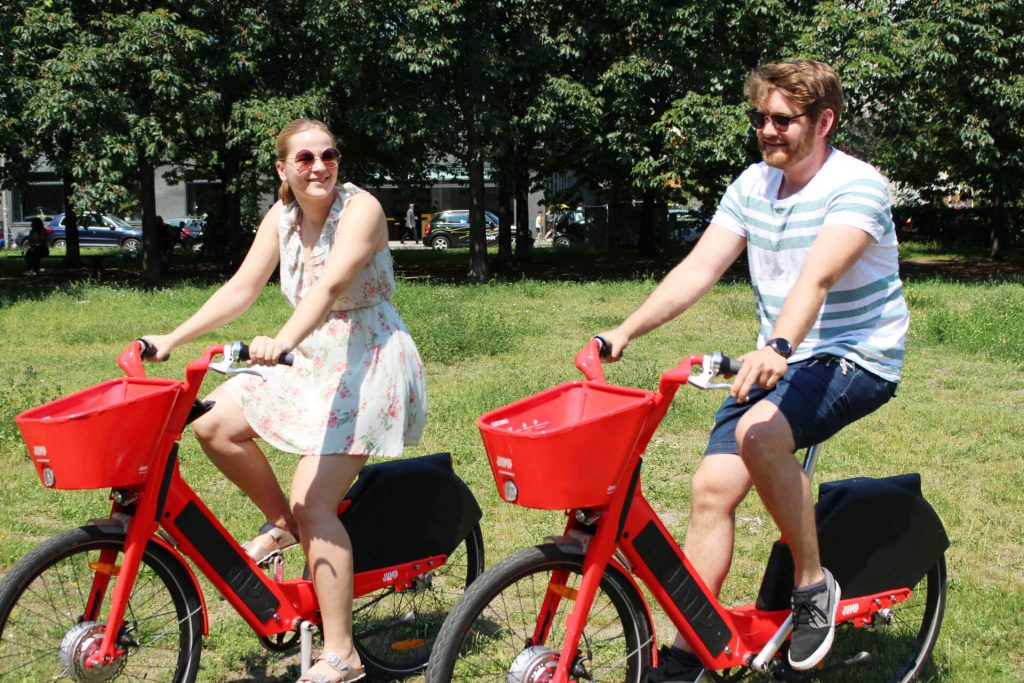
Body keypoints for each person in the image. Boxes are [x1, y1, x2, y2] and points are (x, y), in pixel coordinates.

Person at [597, 60, 908, 681]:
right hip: (782, 355)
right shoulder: (752, 185)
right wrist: (623, 331)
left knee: (761, 437)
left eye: (782, 120)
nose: (767, 130)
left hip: (854, 354)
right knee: (710, 490)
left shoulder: (859, 186)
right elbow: (700, 267)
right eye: (760, 117)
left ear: (824, 121)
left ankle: (814, 583)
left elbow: (817, 276)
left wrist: (779, 346)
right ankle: (689, 651)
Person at [142, 118, 427, 683]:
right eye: (304, 159)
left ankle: (342, 654)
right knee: (215, 424)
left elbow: (329, 286)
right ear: (283, 169)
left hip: (368, 360)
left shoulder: (361, 209)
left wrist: (284, 340)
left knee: (315, 503)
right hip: (313, 358)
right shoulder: (282, 217)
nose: (318, 167)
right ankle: (283, 524)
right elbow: (242, 288)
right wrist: (173, 338)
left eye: (328, 155)